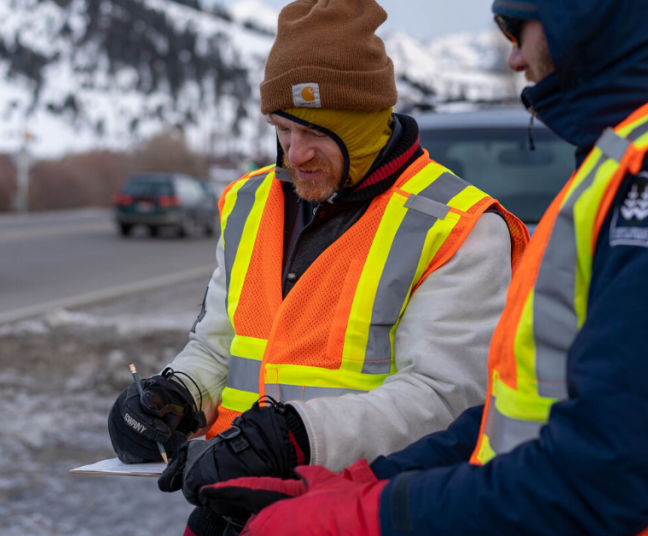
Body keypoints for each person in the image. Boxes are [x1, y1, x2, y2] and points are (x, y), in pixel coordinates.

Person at [198, 0, 648, 534]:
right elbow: (520, 423)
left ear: (583, 14)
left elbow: (603, 473)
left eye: (519, 28)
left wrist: (355, 517)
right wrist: (354, 483)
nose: (514, 60)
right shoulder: (634, 159)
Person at [105, 0, 528, 534]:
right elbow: (222, 344)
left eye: (318, 133)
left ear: (367, 124)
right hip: (236, 510)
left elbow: (446, 399)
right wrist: (177, 397)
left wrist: (294, 438)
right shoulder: (249, 203)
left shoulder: (458, 227)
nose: (295, 153)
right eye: (283, 129)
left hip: (364, 513)